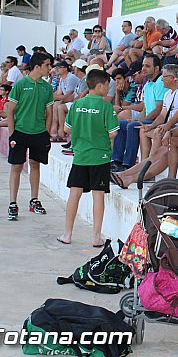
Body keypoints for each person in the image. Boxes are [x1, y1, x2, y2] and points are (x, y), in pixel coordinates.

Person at [56, 69, 119, 246]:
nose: (108, 88)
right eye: (107, 85)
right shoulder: (106, 106)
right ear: (100, 85)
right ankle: (95, 237)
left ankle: (67, 234)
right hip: (100, 156)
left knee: (74, 194)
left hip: (80, 156)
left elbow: (67, 129)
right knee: (98, 196)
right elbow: (113, 133)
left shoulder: (77, 104)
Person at [5, 52, 54, 221]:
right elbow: (10, 110)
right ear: (37, 66)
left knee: (35, 165)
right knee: (16, 167)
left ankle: (34, 200)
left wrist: (46, 133)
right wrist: (12, 133)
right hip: (19, 132)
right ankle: (13, 203)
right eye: (47, 65)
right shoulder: (20, 85)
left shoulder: (47, 87)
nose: (50, 68)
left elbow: (49, 112)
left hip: (39, 133)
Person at [111, 54, 166, 171]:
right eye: (143, 66)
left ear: (156, 69)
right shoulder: (147, 84)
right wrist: (137, 119)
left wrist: (139, 121)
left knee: (132, 126)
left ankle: (128, 164)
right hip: (149, 118)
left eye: (147, 66)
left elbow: (158, 109)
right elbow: (146, 108)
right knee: (122, 124)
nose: (143, 69)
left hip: (158, 120)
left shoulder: (161, 82)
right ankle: (116, 161)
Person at [138, 64, 178, 160]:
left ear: (171, 78)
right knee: (144, 130)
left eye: (163, 76)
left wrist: (167, 125)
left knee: (158, 132)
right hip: (169, 126)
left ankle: (150, 163)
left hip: (177, 127)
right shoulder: (167, 94)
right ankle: (144, 161)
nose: (161, 80)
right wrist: (151, 126)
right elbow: (162, 115)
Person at [49, 61, 80, 141]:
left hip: (73, 100)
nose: (57, 69)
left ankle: (60, 132)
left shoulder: (71, 78)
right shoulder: (62, 79)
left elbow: (68, 95)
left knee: (57, 105)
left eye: (59, 67)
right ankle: (54, 130)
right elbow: (59, 93)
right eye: (56, 68)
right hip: (67, 99)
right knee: (52, 104)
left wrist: (54, 96)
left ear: (65, 68)